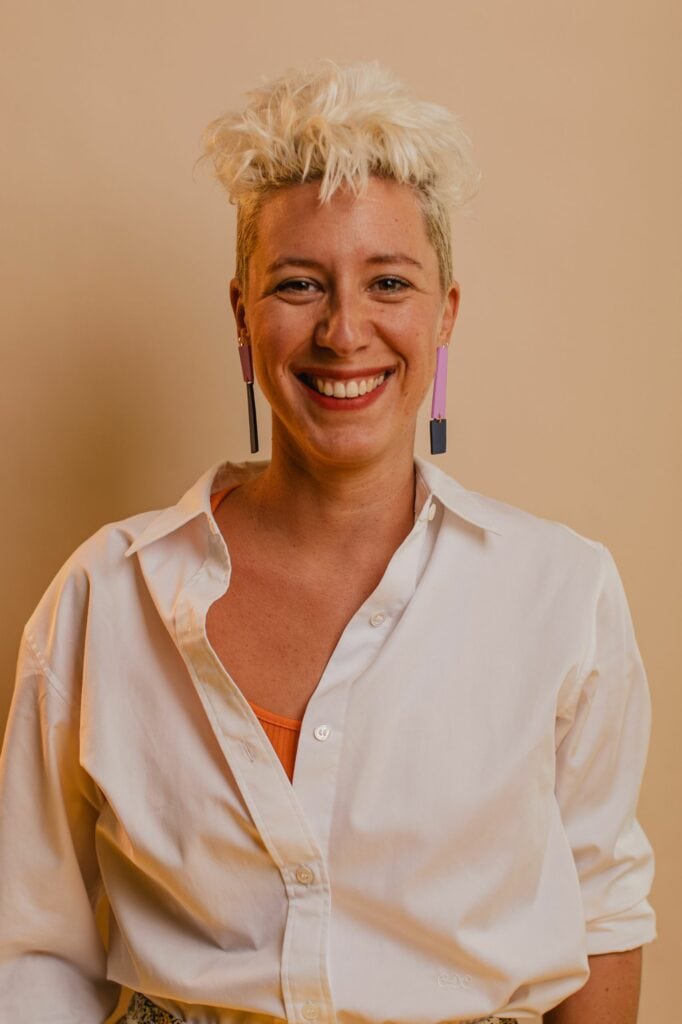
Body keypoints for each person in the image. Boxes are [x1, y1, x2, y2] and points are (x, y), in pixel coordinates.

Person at [0, 59, 656, 1024]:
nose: (345, 332)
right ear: (242, 316)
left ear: (446, 315)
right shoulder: (108, 594)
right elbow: (36, 944)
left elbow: (600, 913)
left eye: (389, 281)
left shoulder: (563, 593)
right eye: (299, 285)